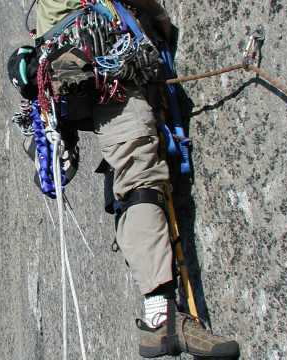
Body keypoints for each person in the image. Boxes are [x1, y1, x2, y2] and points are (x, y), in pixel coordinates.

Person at [32, 0, 241, 357]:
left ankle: (160, 311)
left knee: (132, 172)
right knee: (138, 174)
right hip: (108, 71)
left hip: (83, 71)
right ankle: (161, 316)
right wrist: (159, 20)